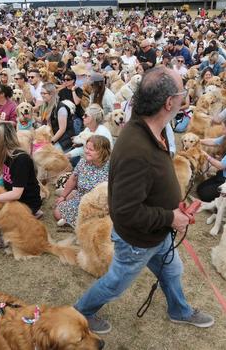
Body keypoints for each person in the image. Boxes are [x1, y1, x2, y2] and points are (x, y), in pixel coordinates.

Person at [74, 67, 214, 334]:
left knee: (172, 270)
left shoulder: (151, 129)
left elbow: (150, 184)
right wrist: (171, 217)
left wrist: (172, 206)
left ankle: (179, 310)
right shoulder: (136, 147)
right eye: (182, 93)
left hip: (157, 234)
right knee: (115, 282)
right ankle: (80, 313)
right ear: (169, 102)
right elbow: (125, 212)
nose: (185, 98)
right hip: (137, 240)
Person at [0, 122, 42, 216]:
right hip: (12, 197)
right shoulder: (5, 155)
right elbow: (5, 177)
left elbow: (16, 194)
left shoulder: (21, 159)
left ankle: (34, 214)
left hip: (26, 203)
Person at [54, 135, 111, 228]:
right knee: (58, 212)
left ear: (102, 152)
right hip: (81, 198)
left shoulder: (110, 167)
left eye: (91, 150)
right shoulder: (83, 162)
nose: (86, 151)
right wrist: (63, 196)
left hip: (100, 205)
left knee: (97, 223)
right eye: (86, 148)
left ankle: (80, 223)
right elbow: (73, 179)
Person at [41, 82, 75, 151]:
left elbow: (62, 129)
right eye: (41, 93)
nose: (42, 95)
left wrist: (51, 142)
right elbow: (44, 120)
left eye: (44, 93)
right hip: (53, 137)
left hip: (64, 141)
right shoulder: (46, 105)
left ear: (51, 94)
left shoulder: (61, 108)